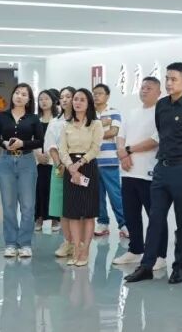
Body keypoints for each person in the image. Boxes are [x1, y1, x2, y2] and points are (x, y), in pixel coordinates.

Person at [125, 62, 182, 285]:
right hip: (162, 169)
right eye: (167, 79)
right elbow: (161, 133)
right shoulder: (162, 105)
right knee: (155, 218)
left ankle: (179, 266)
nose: (169, 83)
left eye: (174, 79)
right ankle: (146, 266)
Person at [0, 83, 44, 258]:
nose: (19, 96)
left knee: (28, 205)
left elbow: (40, 141)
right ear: (12, 95)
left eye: (24, 94)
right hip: (6, 161)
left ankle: (25, 243)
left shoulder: (33, 118)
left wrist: (23, 143)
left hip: (27, 161)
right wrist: (4, 143)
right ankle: (11, 243)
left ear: (29, 99)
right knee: (8, 205)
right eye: (17, 93)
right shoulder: (2, 116)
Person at [114, 77, 164, 267]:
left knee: (155, 215)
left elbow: (156, 140)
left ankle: (159, 255)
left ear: (159, 93)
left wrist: (128, 150)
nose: (144, 90)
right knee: (131, 214)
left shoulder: (160, 113)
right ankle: (135, 250)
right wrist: (123, 154)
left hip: (149, 172)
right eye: (142, 87)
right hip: (128, 172)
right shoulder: (132, 112)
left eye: (149, 88)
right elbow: (121, 136)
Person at [56, 88, 104, 267]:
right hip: (70, 168)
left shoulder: (95, 124)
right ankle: (76, 248)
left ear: (88, 103)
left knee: (88, 213)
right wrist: (71, 167)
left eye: (82, 99)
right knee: (73, 213)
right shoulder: (66, 124)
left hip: (88, 166)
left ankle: (86, 250)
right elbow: (62, 149)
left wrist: (80, 163)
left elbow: (95, 148)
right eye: (75, 99)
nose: (77, 102)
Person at [92, 84, 127, 238]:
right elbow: (85, 131)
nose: (96, 96)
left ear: (107, 96)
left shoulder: (114, 112)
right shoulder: (89, 113)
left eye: (100, 93)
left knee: (115, 194)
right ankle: (102, 222)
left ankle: (124, 223)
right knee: (97, 196)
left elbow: (114, 131)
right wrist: (102, 125)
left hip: (109, 160)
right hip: (92, 160)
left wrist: (94, 131)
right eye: (94, 93)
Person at [48, 87, 75, 256]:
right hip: (59, 167)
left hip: (78, 167)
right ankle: (68, 242)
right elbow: (50, 144)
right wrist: (59, 164)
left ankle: (79, 243)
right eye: (62, 97)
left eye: (68, 96)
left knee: (78, 206)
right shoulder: (55, 122)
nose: (64, 100)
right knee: (62, 208)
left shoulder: (84, 120)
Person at [34, 89, 60, 233]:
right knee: (39, 189)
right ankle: (39, 217)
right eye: (41, 99)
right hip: (39, 160)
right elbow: (32, 139)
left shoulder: (59, 120)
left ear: (53, 101)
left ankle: (55, 218)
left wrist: (51, 155)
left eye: (46, 99)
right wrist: (38, 154)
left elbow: (60, 140)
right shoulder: (35, 119)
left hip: (54, 160)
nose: (43, 101)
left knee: (54, 189)